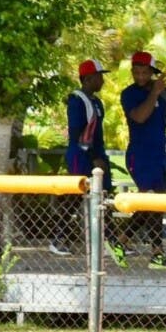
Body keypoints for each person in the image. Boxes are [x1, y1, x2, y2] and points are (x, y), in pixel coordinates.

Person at [55, 59, 125, 266]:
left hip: (97, 152)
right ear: (88, 78)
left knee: (104, 194)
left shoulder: (97, 102)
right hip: (81, 154)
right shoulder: (77, 100)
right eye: (99, 76)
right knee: (76, 195)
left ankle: (110, 240)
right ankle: (58, 237)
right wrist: (93, 156)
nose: (102, 80)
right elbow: (79, 133)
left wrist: (100, 155)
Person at [120, 51, 166, 270]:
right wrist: (154, 94)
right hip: (140, 154)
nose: (140, 76)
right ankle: (155, 251)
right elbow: (139, 116)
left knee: (158, 204)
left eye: (145, 72)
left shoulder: (164, 93)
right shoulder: (129, 94)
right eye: (136, 72)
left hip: (158, 153)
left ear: (153, 72)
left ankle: (123, 241)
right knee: (150, 200)